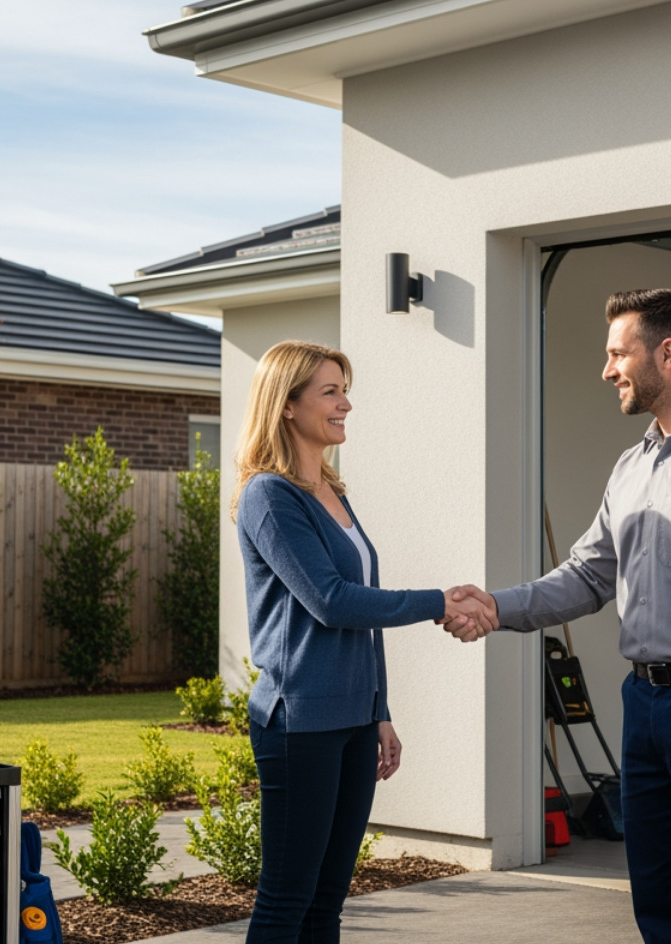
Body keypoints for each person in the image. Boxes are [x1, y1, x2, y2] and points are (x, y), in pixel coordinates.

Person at [446, 289, 671, 944]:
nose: (607, 370)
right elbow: (589, 575)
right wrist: (497, 606)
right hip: (645, 708)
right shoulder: (632, 466)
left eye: (619, 353)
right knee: (665, 910)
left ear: (667, 353)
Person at [234, 339, 497, 944]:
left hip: (353, 719)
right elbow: (333, 601)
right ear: (286, 404)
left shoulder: (332, 490)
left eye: (344, 391)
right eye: (330, 392)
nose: (346, 404)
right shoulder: (269, 495)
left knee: (327, 902)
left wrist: (380, 710)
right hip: (300, 721)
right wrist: (438, 602)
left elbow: (364, 606)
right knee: (286, 899)